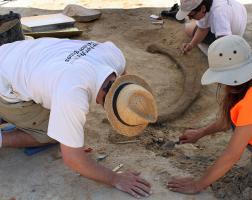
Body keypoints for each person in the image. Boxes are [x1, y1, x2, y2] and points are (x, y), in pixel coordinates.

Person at [0, 31, 158, 198]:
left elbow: (122, 74)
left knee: (60, 114)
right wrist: (115, 178)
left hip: (11, 54)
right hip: (5, 84)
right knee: (54, 134)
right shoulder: (73, 93)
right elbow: (72, 159)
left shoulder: (114, 56)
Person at [167, 35, 252, 194]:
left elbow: (232, 154)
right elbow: (230, 120)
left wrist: (198, 184)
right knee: (244, 123)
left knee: (250, 134)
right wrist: (200, 133)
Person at [176, 0, 247, 54]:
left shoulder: (218, 14)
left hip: (232, 35)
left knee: (188, 27)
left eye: (191, 15)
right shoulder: (205, 5)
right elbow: (202, 29)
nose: (190, 18)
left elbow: (226, 44)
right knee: (196, 23)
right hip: (239, 14)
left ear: (203, 8)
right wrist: (191, 45)